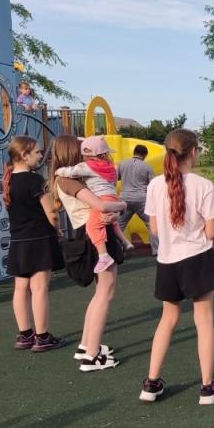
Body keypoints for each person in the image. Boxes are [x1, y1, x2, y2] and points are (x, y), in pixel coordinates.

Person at [139, 129, 214, 405]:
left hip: (167, 260)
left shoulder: (155, 185)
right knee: (204, 321)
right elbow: (211, 231)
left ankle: (151, 383)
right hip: (197, 258)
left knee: (167, 319)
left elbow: (154, 228)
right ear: (193, 152)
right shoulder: (204, 185)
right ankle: (207, 387)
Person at [49, 135, 128, 371]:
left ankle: (87, 345)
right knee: (105, 292)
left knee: (100, 293)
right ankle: (92, 355)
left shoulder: (69, 178)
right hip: (96, 235)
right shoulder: (69, 180)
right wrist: (122, 205)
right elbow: (101, 205)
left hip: (90, 233)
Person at [3, 135, 65, 352]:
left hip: (18, 240)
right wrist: (58, 228)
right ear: (24, 155)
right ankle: (43, 337)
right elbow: (52, 214)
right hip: (39, 239)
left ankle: (25, 334)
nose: (40, 155)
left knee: (20, 288)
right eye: (37, 152)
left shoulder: (8, 180)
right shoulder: (35, 180)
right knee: (39, 288)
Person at [54, 135, 133, 273]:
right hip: (104, 212)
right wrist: (122, 206)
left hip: (94, 226)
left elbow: (102, 206)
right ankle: (122, 244)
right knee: (107, 284)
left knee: (106, 284)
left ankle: (106, 254)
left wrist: (59, 171)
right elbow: (103, 205)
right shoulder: (106, 167)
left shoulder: (82, 170)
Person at [117, 144, 158, 255]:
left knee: (118, 226)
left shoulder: (122, 164)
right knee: (151, 224)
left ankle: (117, 251)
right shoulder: (147, 167)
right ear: (145, 155)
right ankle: (156, 250)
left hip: (124, 198)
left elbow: (117, 177)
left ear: (134, 152)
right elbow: (153, 184)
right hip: (141, 199)